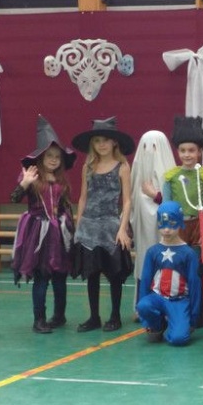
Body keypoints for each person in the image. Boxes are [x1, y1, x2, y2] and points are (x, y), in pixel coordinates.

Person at [10, 115, 76, 333]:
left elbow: (65, 206)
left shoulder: (61, 180)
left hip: (59, 233)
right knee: (41, 276)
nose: (54, 159)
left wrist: (69, 228)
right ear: (40, 156)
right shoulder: (31, 176)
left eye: (57, 156)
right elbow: (14, 198)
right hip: (38, 233)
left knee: (60, 277)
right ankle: (39, 319)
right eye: (49, 155)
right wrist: (24, 183)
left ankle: (59, 315)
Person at [71, 116, 135, 333]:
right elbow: (83, 197)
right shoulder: (88, 166)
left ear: (114, 142)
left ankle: (115, 316)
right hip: (89, 227)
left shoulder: (122, 166)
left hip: (110, 227)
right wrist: (79, 224)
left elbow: (127, 201)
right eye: (97, 141)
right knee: (92, 273)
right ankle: (94, 317)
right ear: (92, 144)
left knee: (114, 273)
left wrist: (123, 228)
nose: (102, 144)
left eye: (106, 140)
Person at [136, 201, 203, 346]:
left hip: (179, 301)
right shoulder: (153, 252)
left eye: (172, 224)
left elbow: (194, 285)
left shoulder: (189, 254)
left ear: (180, 223)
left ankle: (177, 324)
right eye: (163, 224)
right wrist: (142, 313)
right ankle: (158, 325)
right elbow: (145, 281)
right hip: (157, 297)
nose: (166, 230)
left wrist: (193, 317)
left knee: (179, 339)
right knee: (143, 305)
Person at [131, 129, 177, 318]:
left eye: (155, 147)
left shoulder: (172, 176)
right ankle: (142, 304)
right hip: (143, 231)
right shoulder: (137, 175)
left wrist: (155, 196)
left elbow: (175, 204)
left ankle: (166, 305)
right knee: (144, 262)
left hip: (165, 231)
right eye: (145, 147)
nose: (149, 152)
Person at [151, 116, 203, 252]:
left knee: (197, 260)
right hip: (177, 226)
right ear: (177, 151)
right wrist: (168, 227)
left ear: (199, 151)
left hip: (199, 226)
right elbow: (166, 205)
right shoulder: (171, 176)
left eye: (191, 150)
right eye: (182, 150)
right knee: (178, 260)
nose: (187, 155)